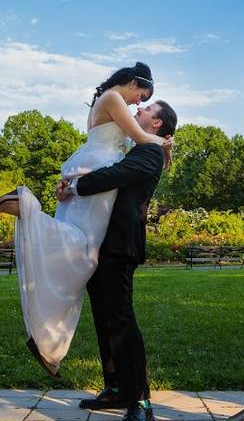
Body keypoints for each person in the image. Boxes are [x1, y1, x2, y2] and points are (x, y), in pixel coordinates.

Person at [0, 62, 173, 380]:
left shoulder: (113, 108)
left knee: (80, 248)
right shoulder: (116, 102)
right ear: (133, 82)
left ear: (157, 120)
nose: (139, 103)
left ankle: (123, 390)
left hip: (93, 171)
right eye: (142, 95)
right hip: (98, 170)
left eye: (146, 102)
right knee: (83, 248)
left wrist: (74, 182)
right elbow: (138, 139)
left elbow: (130, 155)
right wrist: (165, 143)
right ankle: (28, 210)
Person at [60, 99, 176, 421]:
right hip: (100, 243)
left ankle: (140, 402)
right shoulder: (137, 146)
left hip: (120, 247)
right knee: (105, 321)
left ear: (157, 123)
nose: (138, 110)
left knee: (121, 323)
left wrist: (76, 185)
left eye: (146, 109)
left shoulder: (148, 153)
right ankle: (114, 388)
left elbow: (116, 175)